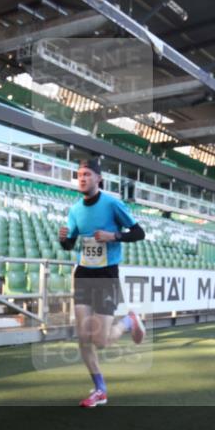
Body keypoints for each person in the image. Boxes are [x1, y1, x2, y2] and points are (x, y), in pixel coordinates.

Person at [59, 159, 146, 408]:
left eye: (87, 174)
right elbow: (70, 244)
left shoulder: (111, 204)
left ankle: (129, 321)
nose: (82, 178)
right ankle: (100, 389)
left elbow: (139, 233)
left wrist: (114, 236)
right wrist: (64, 239)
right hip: (83, 274)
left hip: (106, 275)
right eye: (79, 175)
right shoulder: (75, 209)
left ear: (99, 179)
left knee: (100, 341)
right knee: (82, 338)